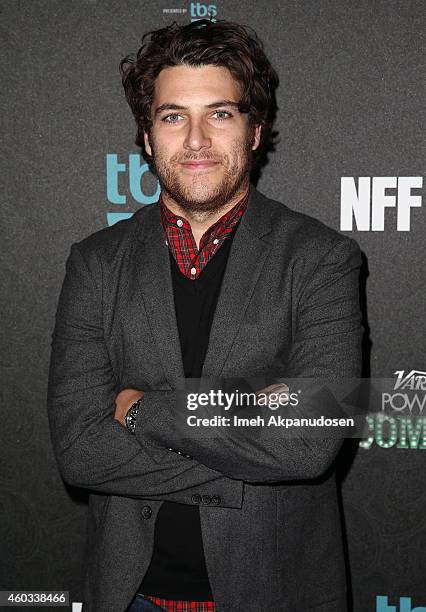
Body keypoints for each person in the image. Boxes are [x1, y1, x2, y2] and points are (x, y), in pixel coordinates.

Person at [47, 19, 363, 612]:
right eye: (172, 117)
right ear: (146, 136)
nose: (195, 140)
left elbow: (308, 444)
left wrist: (140, 410)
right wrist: (250, 428)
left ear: (254, 130)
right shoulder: (94, 263)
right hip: (129, 594)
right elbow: (79, 448)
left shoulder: (323, 259)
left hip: (276, 593)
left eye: (219, 113)